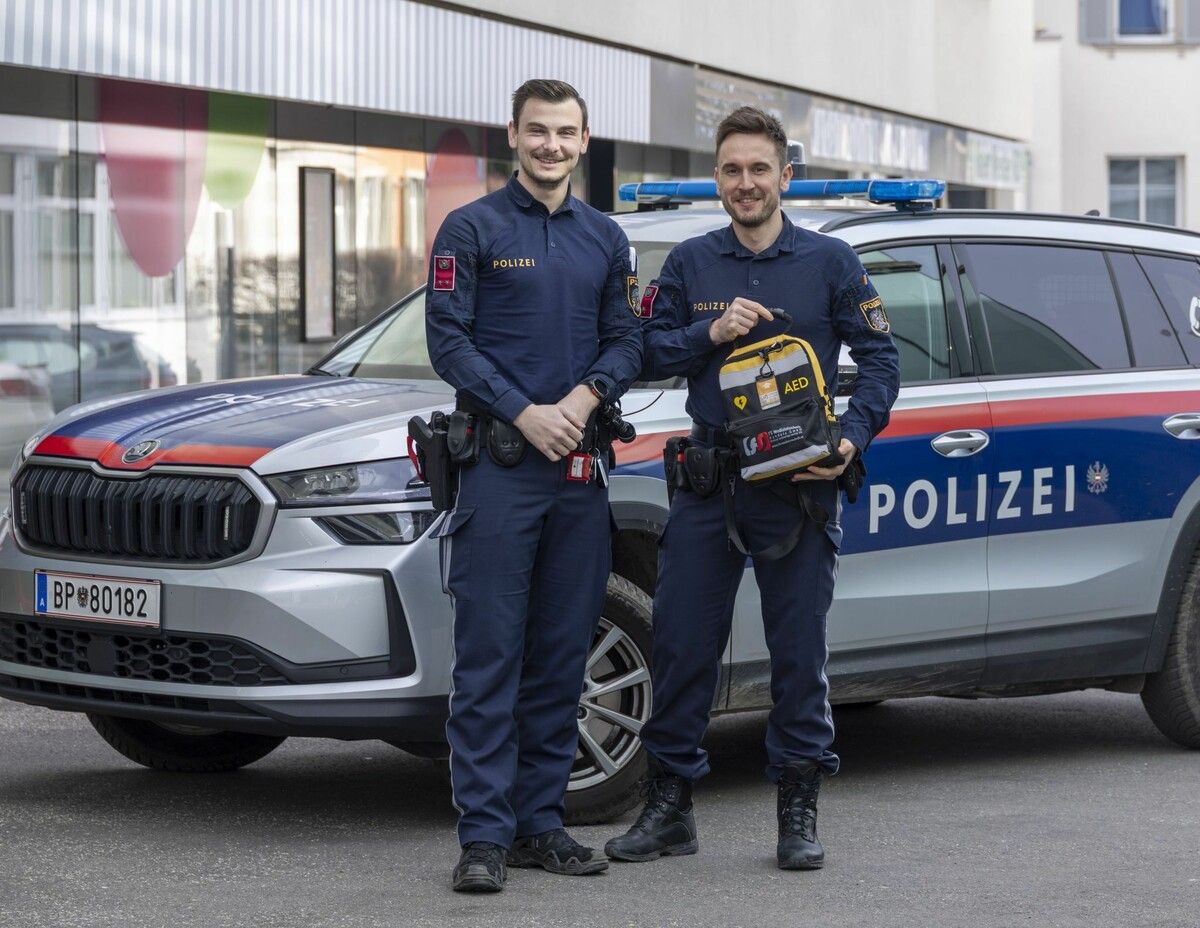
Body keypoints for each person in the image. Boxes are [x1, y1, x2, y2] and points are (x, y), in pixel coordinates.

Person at [605, 106, 899, 870]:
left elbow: (882, 360)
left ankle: (798, 811)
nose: (746, 182)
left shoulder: (831, 262)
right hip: (710, 485)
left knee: (797, 656)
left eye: (759, 169)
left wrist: (850, 439)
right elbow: (644, 354)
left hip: (799, 486)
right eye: (732, 170)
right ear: (718, 178)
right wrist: (711, 332)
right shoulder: (690, 263)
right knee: (681, 648)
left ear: (784, 177)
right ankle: (669, 809)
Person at [425, 79, 643, 893]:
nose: (552, 144)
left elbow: (628, 340)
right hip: (499, 472)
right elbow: (448, 341)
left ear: (585, 141)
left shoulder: (605, 237)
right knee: (489, 658)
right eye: (538, 130)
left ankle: (541, 825)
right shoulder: (471, 228)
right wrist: (523, 412)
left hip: (579, 476)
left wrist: (582, 402)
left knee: (561, 657)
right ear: (513, 135)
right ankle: (484, 837)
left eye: (566, 132)